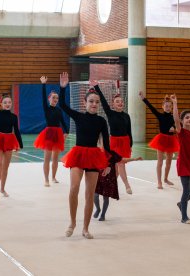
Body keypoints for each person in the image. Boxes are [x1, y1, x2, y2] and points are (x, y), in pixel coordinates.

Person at [58, 72, 125, 239]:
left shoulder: (102, 121)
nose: (94, 104)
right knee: (74, 188)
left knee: (89, 194)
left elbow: (107, 146)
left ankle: (85, 228)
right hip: (79, 155)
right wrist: (63, 88)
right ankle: (72, 222)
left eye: (96, 102)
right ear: (85, 102)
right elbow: (62, 105)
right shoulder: (79, 116)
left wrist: (110, 165)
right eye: (91, 101)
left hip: (94, 157)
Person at [91, 80, 134, 194]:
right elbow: (104, 102)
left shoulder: (127, 116)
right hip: (114, 142)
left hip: (125, 142)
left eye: (121, 101)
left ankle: (107, 185)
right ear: (113, 104)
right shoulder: (110, 113)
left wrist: (130, 145)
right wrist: (97, 87)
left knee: (117, 167)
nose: (120, 103)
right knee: (119, 164)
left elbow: (129, 131)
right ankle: (127, 185)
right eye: (117, 102)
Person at [171, 95, 190, 224]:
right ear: (182, 121)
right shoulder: (181, 132)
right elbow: (176, 119)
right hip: (183, 163)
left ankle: (181, 204)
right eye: (187, 118)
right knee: (187, 190)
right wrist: (175, 104)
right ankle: (184, 217)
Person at [139, 91, 180, 189]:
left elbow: (177, 121)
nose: (168, 107)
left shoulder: (173, 116)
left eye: (169, 106)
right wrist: (144, 98)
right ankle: (159, 181)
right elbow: (151, 108)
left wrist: (174, 128)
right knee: (160, 162)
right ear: (162, 106)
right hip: (161, 139)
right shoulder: (160, 115)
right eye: (166, 106)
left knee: (169, 162)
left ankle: (165, 178)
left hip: (171, 140)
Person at [34, 76, 69, 187]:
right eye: (53, 98)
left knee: (55, 159)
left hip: (58, 133)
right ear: (49, 99)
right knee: (47, 158)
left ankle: (53, 177)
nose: (55, 100)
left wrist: (66, 131)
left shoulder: (59, 110)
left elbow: (62, 121)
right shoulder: (47, 108)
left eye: (57, 98)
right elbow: (43, 98)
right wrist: (43, 84)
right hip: (49, 133)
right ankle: (46, 179)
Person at [94, 155, 142, 221]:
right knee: (95, 195)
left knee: (106, 197)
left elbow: (122, 160)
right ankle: (98, 208)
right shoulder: (98, 152)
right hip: (98, 178)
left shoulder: (111, 154)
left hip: (108, 179)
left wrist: (134, 159)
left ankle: (103, 214)